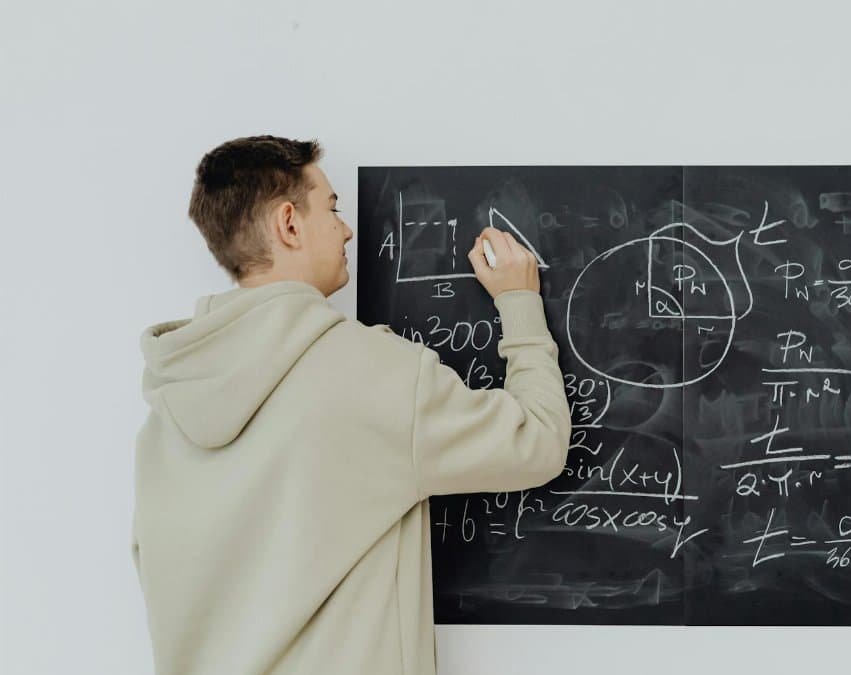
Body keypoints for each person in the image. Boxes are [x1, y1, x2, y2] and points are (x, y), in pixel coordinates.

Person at [131, 135, 570, 674]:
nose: (346, 228)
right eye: (332, 208)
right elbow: (539, 441)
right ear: (289, 224)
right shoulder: (371, 373)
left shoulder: (168, 411)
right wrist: (519, 303)